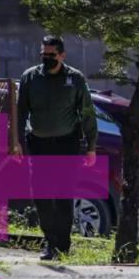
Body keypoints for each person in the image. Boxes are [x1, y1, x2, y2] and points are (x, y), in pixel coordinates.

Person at [14, 35, 98, 261]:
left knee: (63, 197)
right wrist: (17, 141)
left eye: (52, 55)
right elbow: (21, 112)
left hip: (66, 144)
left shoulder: (75, 79)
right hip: (38, 145)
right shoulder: (30, 78)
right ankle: (49, 241)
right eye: (44, 55)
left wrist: (91, 146)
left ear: (62, 55)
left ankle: (62, 245)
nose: (47, 59)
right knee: (41, 197)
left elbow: (87, 112)